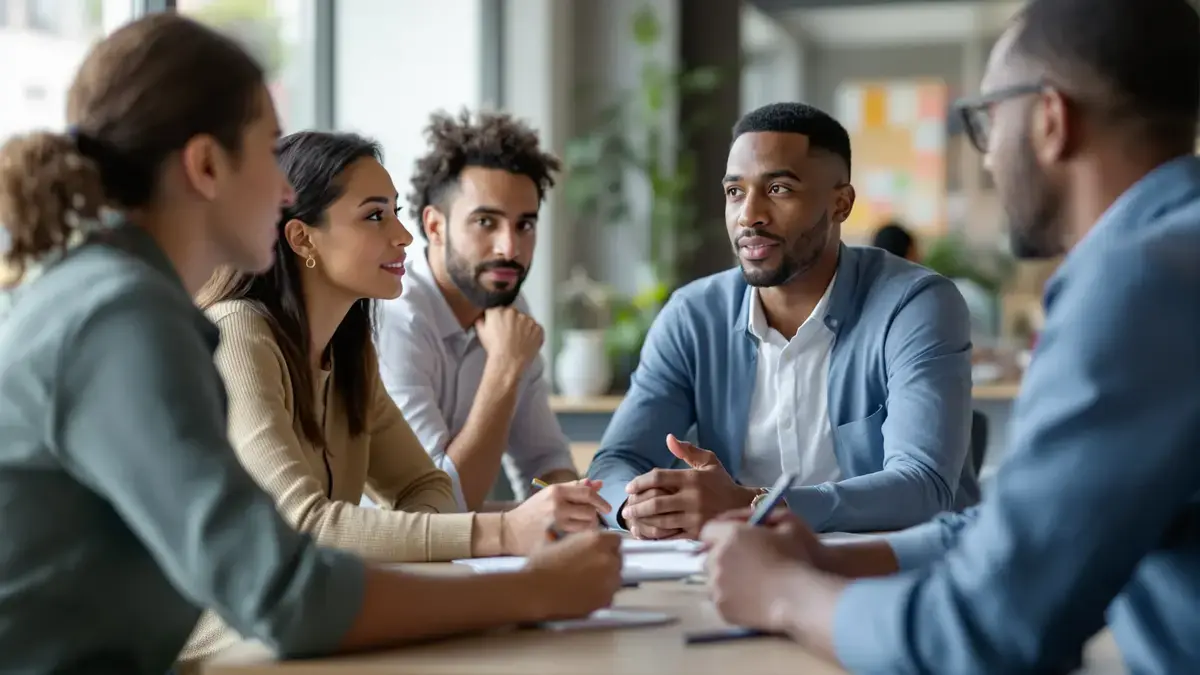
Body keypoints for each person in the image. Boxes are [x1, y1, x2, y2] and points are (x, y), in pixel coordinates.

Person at [0, 15, 619, 675]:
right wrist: (533, 588)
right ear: (207, 165)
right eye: (269, 151)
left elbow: (409, 495)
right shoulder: (121, 318)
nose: (286, 189)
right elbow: (286, 586)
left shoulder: (124, 302)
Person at [700, 0, 1200, 672]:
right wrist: (826, 555)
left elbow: (985, 631)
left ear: (1050, 120)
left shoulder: (1139, 278)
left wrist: (785, 592)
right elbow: (1028, 529)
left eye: (987, 121)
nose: (988, 158)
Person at [181, 130, 611, 662]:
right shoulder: (240, 335)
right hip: (233, 644)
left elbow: (424, 485)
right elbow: (304, 525)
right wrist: (502, 531)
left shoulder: (349, 352)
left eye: (395, 212)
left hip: (317, 629)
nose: (403, 236)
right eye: (374, 216)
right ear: (302, 238)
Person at [587, 102, 979, 539]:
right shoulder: (692, 316)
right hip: (737, 570)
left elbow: (923, 487)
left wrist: (754, 505)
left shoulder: (915, 304)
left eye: (778, 189)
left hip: (893, 571)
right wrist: (633, 508)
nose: (749, 215)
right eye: (735, 192)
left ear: (841, 204)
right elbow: (616, 461)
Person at [375, 110, 587, 511]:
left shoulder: (507, 307)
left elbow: (544, 462)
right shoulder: (397, 315)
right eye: (486, 222)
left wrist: (570, 507)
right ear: (435, 227)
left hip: (457, 558)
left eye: (525, 225)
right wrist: (505, 366)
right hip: (383, 562)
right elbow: (438, 506)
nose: (510, 248)